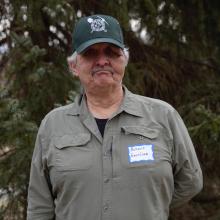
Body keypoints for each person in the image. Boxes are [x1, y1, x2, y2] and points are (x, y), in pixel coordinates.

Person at [27, 14, 203, 220]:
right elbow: (39, 205)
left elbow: (191, 180)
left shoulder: (163, 116)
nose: (102, 61)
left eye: (111, 52)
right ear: (74, 66)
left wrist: (152, 205)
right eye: (90, 53)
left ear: (124, 60)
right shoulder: (53, 125)